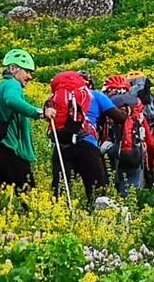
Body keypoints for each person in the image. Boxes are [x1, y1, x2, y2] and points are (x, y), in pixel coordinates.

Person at [48, 70, 126, 205]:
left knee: (60, 192)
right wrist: (126, 111)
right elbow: (119, 117)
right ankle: (97, 218)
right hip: (87, 145)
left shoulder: (56, 98)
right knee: (97, 191)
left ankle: (60, 217)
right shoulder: (95, 96)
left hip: (61, 146)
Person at [0, 49, 55, 194]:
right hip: (11, 149)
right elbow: (12, 100)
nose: (30, 77)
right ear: (13, 69)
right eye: (27, 71)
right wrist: (40, 113)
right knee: (27, 194)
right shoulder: (12, 84)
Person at [101, 74, 154, 197]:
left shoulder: (106, 105)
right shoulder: (137, 107)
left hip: (111, 153)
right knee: (131, 195)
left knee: (109, 195)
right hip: (134, 154)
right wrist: (151, 163)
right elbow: (150, 142)